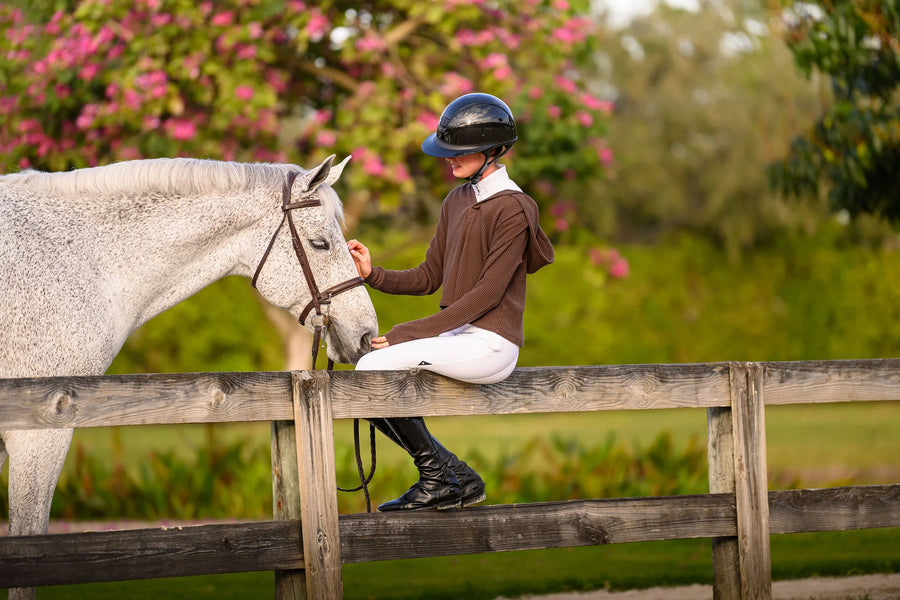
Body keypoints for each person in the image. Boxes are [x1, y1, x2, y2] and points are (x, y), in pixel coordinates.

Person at [347, 92, 554, 512]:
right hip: (458, 338)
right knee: (366, 369)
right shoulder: (456, 201)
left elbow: (487, 295)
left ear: (494, 151)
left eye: (461, 153)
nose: (450, 160)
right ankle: (451, 475)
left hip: (492, 345)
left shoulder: (515, 208)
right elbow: (429, 276)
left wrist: (407, 333)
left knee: (371, 367)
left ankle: (440, 476)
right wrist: (373, 274)